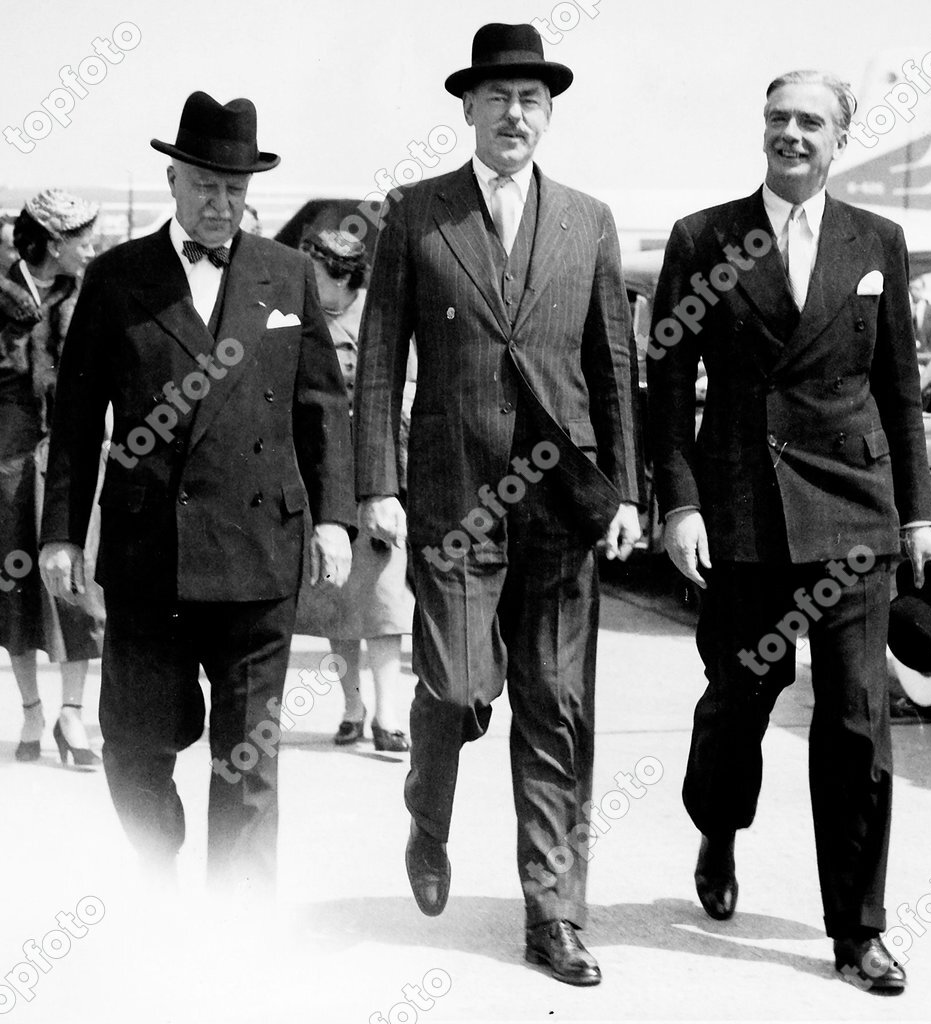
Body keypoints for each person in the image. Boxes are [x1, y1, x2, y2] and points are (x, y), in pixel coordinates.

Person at [646, 70, 931, 993]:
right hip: (742, 512)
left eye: (809, 122)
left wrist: (920, 517)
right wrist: (681, 503)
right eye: (778, 118)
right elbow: (665, 385)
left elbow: (901, 388)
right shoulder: (705, 239)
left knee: (858, 718)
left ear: (840, 138)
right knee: (740, 701)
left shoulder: (879, 242)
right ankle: (717, 827)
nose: (790, 134)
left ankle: (858, 930)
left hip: (854, 511)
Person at [354, 23, 640, 987]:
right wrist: (378, 486)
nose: (515, 115)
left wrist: (626, 493)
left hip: (563, 506)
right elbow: (380, 360)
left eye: (533, 100)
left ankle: (554, 917)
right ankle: (426, 814)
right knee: (464, 689)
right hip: (455, 500)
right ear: (467, 108)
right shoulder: (416, 214)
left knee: (557, 709)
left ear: (548, 113)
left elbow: (615, 365)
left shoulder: (590, 219)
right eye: (498, 98)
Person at [39, 91, 355, 894]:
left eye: (236, 189)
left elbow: (322, 405)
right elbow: (76, 420)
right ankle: (157, 865)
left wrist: (336, 520)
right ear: (174, 180)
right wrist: (60, 535)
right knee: (136, 742)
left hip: (260, 553)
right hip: (152, 556)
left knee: (248, 753)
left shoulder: (286, 276)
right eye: (206, 185)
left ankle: (236, 931)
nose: (221, 204)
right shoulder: (116, 278)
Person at [295, 229, 414, 752]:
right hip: (322, 469)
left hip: (376, 470)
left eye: (315, 269)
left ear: (340, 274)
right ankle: (352, 706)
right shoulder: (302, 313)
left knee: (385, 594)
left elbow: (407, 387)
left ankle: (389, 713)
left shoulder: (380, 315)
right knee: (335, 594)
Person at [0, 189, 103, 767]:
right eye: (84, 239)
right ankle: (33, 710)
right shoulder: (0, 295)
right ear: (55, 242)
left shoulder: (87, 297)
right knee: (13, 586)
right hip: (7, 463)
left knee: (75, 582)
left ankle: (72, 714)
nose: (92, 249)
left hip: (69, 458)